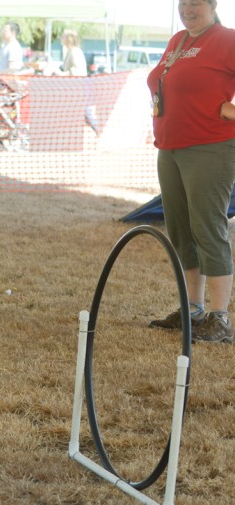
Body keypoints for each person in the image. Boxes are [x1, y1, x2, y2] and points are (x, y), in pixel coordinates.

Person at [148, 0, 235, 343]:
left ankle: (221, 319)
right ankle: (193, 309)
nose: (188, 8)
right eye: (183, 2)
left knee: (207, 229)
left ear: (212, 5)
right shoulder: (178, 41)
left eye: (196, 2)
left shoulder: (227, 40)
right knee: (181, 231)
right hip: (170, 148)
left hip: (210, 147)